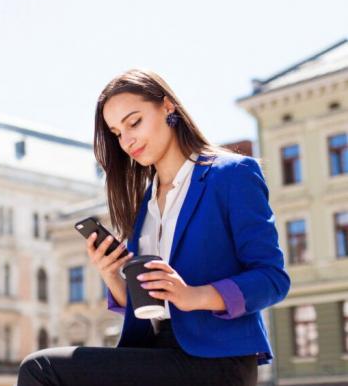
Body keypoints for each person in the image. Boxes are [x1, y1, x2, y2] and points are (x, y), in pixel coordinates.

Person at [16, 69, 290, 386]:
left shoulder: (232, 174)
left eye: (134, 122)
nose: (127, 139)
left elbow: (272, 278)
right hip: (156, 352)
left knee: (42, 369)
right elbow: (150, 306)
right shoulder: (144, 203)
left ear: (168, 107)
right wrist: (113, 276)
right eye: (117, 133)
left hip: (217, 360)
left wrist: (194, 295)